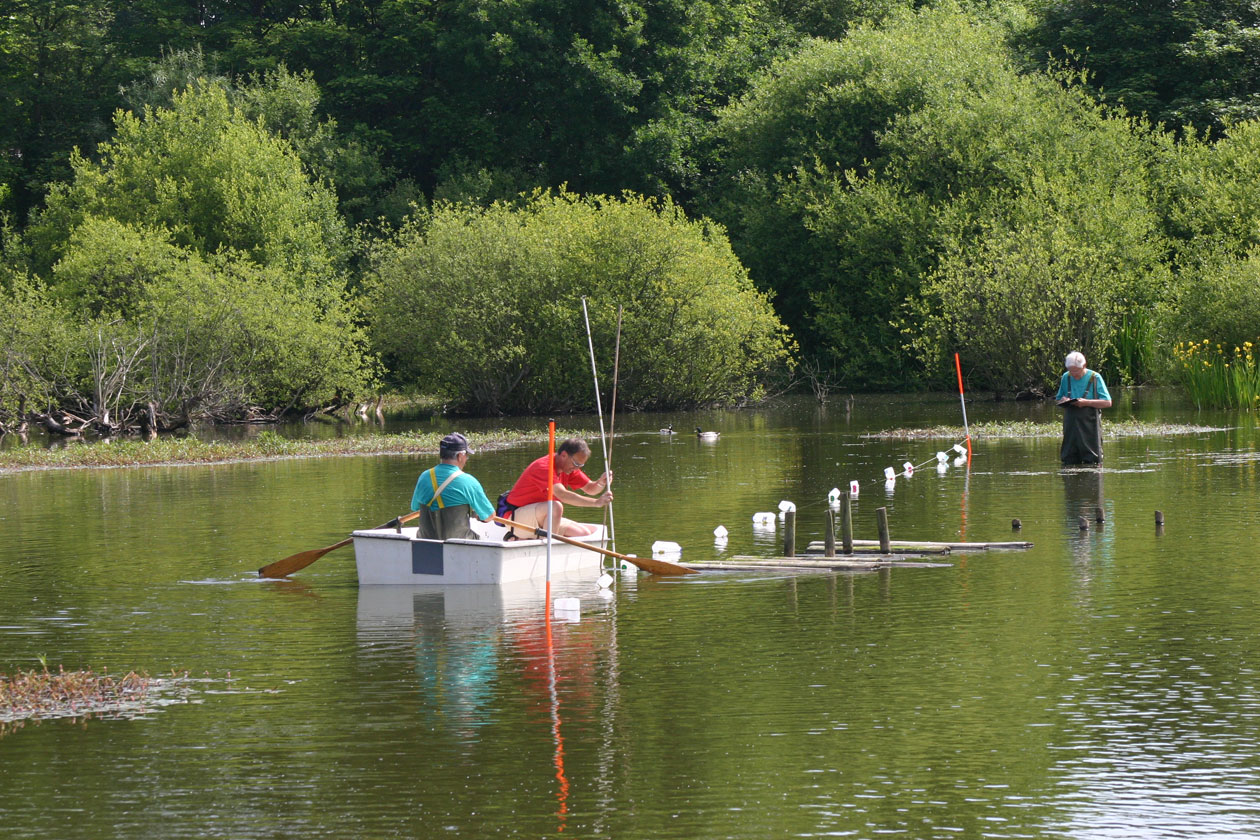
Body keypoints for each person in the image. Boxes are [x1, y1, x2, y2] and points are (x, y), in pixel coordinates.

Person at [497, 438, 612, 539]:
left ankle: (537, 539)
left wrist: (601, 483)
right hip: (515, 519)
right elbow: (562, 495)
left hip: (540, 516)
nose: (576, 469)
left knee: (584, 533)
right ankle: (536, 543)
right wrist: (596, 502)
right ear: (564, 455)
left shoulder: (568, 468)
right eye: (576, 464)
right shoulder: (543, 467)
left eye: (580, 466)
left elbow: (590, 489)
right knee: (555, 506)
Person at [411, 432, 495, 540]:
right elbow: (489, 516)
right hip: (459, 545)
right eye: (466, 456)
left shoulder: (424, 477)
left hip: (426, 542)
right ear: (460, 456)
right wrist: (479, 516)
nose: (466, 460)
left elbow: (415, 507)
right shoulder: (468, 481)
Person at [1055, 351, 1112, 464]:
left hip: (1090, 423)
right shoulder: (1066, 377)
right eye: (1071, 371)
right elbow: (1058, 398)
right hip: (1070, 423)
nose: (1074, 375)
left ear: (1084, 366)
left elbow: (1107, 402)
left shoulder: (1095, 377)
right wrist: (1063, 400)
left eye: (1076, 371)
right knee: (1068, 457)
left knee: (1092, 459)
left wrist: (1086, 402)